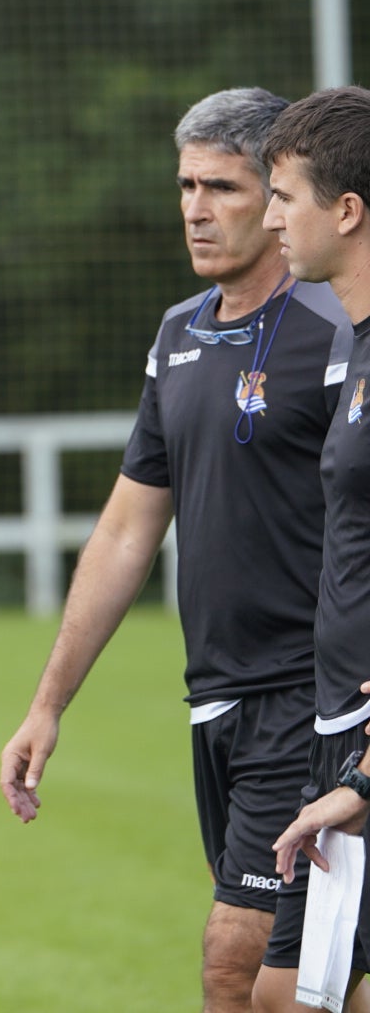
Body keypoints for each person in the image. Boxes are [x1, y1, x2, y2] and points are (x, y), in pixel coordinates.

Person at [0, 88, 353, 1012]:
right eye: (185, 185)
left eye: (226, 187)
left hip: (303, 703)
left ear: (278, 194)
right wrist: (48, 703)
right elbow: (126, 531)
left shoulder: (337, 333)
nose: (197, 207)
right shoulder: (179, 334)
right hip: (215, 704)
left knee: (241, 970)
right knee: (331, 977)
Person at [258, 85, 370, 1013]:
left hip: (365, 751)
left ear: (347, 209)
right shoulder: (359, 350)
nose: (268, 219)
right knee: (286, 994)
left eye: (282, 196)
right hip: (336, 733)